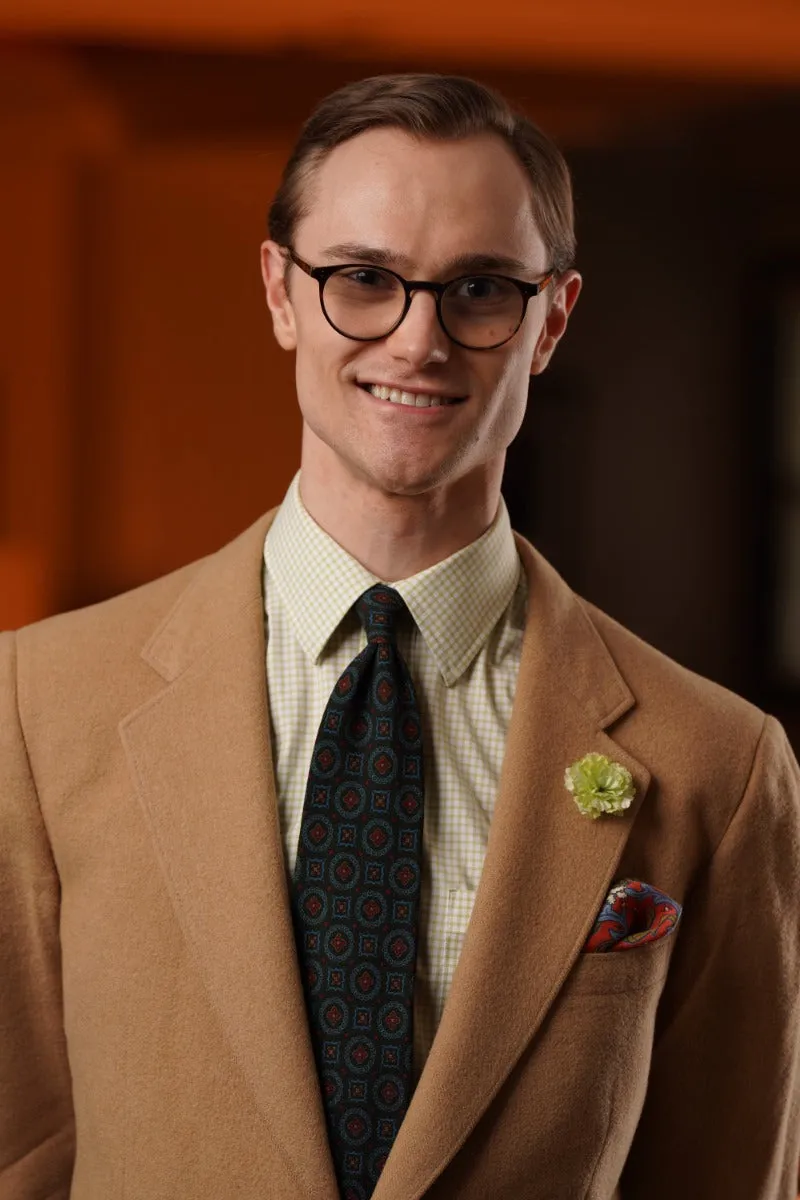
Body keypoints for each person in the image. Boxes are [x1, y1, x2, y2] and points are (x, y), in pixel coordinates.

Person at [1, 73, 798, 1200]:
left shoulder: (715, 764)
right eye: (364, 280)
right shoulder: (40, 705)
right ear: (279, 291)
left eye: (477, 289)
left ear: (549, 320)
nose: (419, 340)